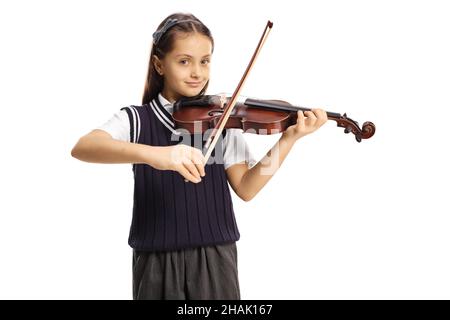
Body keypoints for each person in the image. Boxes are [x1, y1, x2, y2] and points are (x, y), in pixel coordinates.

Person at [71, 12, 327, 300]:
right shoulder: (137, 119)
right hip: (155, 260)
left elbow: (247, 186)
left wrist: (288, 139)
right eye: (184, 61)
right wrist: (157, 155)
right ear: (159, 64)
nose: (197, 72)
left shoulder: (220, 119)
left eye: (205, 61)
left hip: (216, 258)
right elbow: (84, 146)